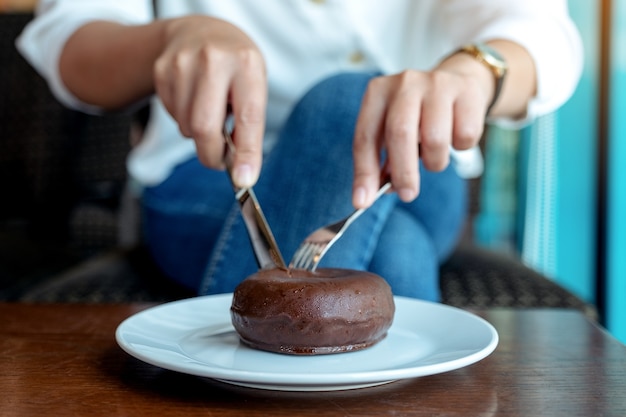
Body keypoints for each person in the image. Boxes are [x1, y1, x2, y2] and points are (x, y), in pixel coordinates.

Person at [17, 1, 582, 301]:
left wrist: (478, 71)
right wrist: (172, 37)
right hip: (211, 177)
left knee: (346, 100)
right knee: (394, 260)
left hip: (410, 174)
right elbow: (70, 35)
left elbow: (539, 31)